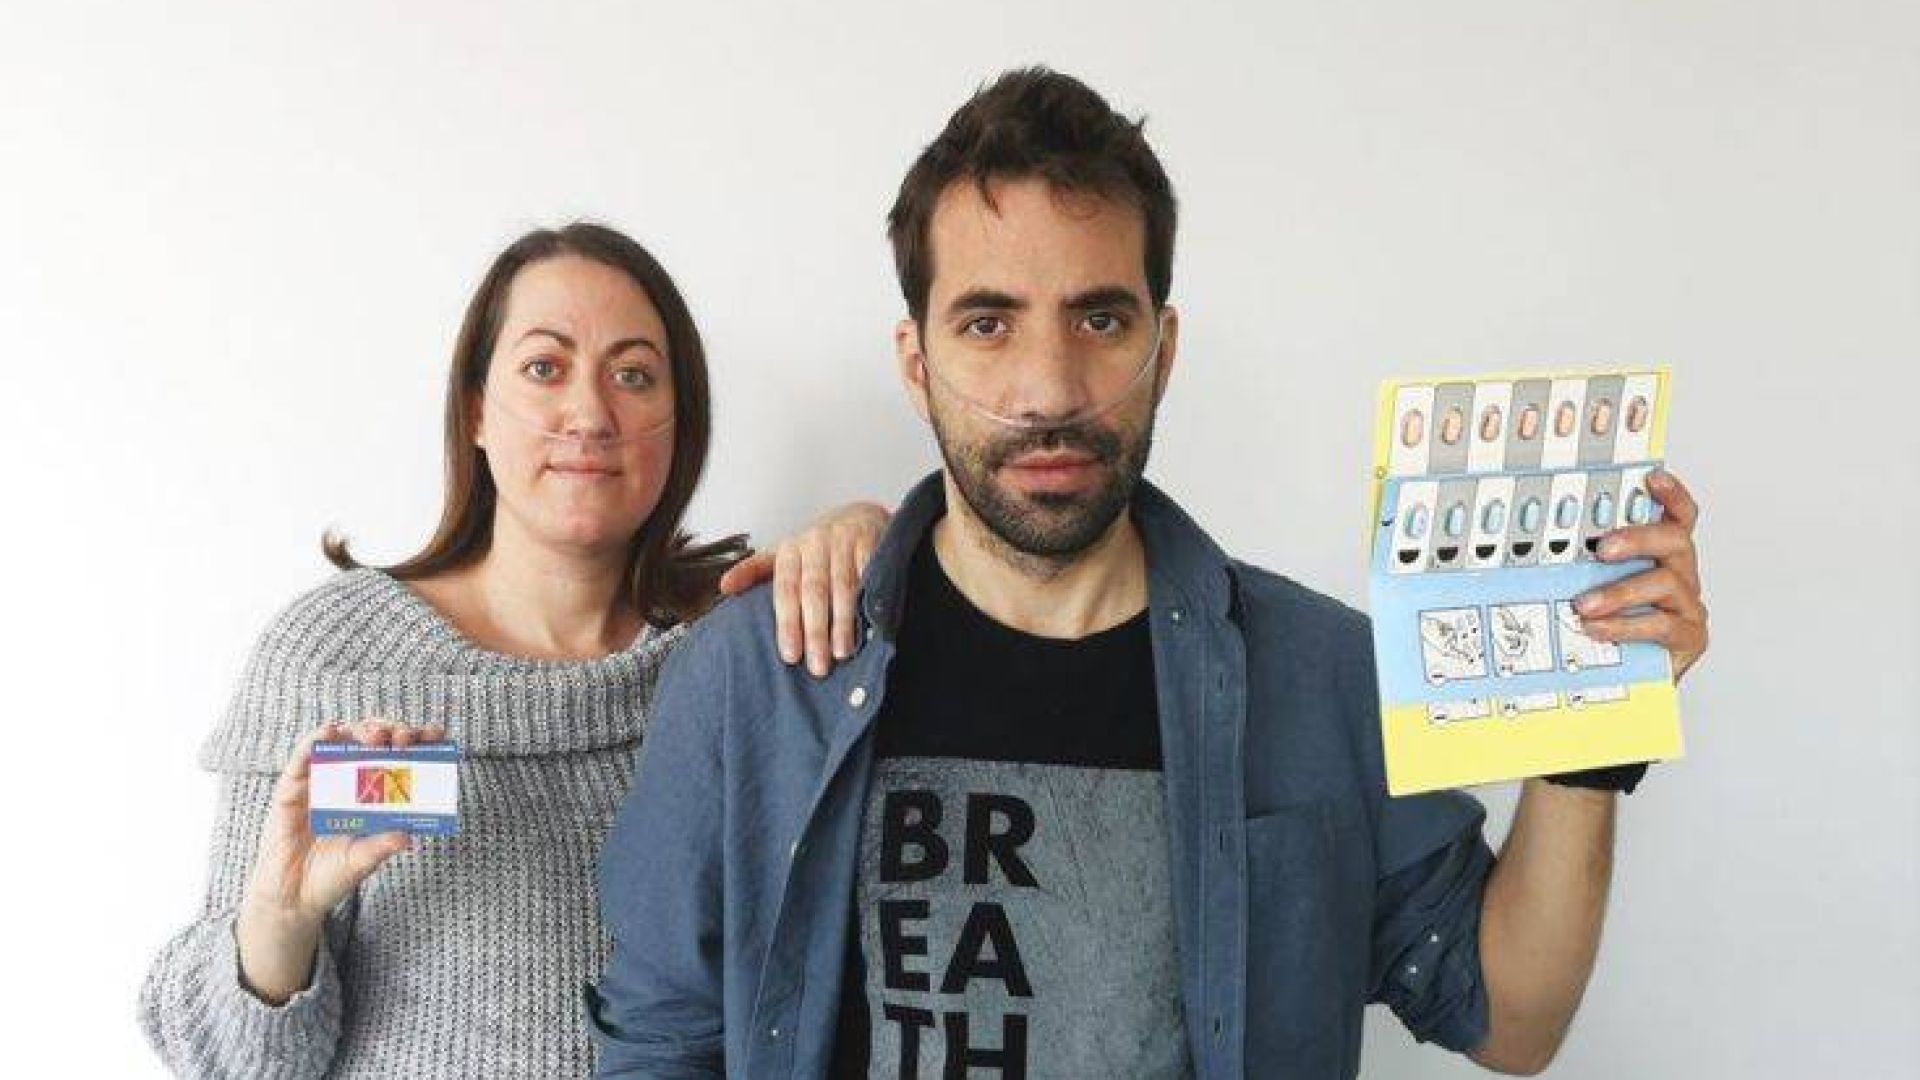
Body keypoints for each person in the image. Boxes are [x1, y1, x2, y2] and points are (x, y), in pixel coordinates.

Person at [587, 70, 1711, 1079]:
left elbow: (1512, 1020)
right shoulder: (756, 679)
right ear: (916, 364)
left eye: (1100, 318)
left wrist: (1594, 718)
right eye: (989, 324)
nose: (1049, 387)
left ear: (1162, 352)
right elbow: (659, 1045)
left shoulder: (1320, 675)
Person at [138, 222, 889, 1079]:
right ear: (475, 412)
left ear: (679, 424)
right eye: (544, 368)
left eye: (634, 376)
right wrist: (281, 918)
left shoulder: (747, 656)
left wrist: (868, 534)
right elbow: (226, 1063)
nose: (591, 415)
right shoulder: (339, 660)